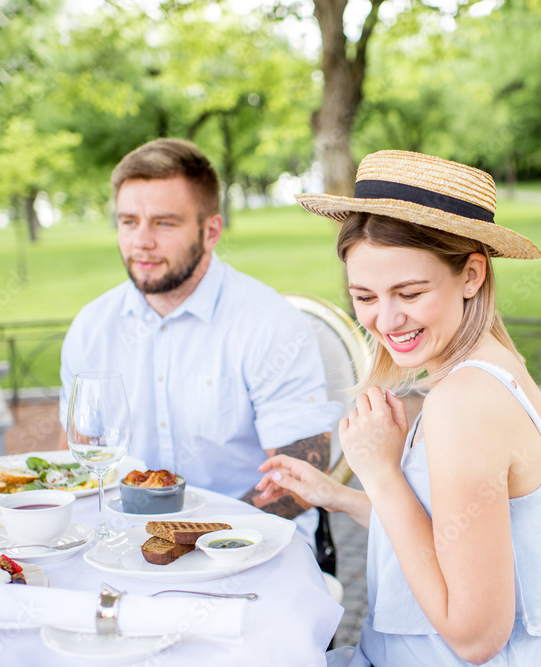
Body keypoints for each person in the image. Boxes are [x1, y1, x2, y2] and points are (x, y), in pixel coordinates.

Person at [257, 150, 541, 665]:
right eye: (364, 297)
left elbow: (475, 637)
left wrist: (381, 473)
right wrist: (338, 496)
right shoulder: (495, 367)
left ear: (472, 276)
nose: (386, 321)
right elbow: (450, 537)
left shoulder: (465, 404)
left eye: (408, 292)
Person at [60, 138, 339, 545]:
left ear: (211, 231)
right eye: (128, 221)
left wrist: (188, 541)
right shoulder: (92, 327)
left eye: (164, 222)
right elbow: (81, 459)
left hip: (251, 544)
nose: (142, 241)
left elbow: (302, 473)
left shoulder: (269, 323)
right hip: (126, 542)